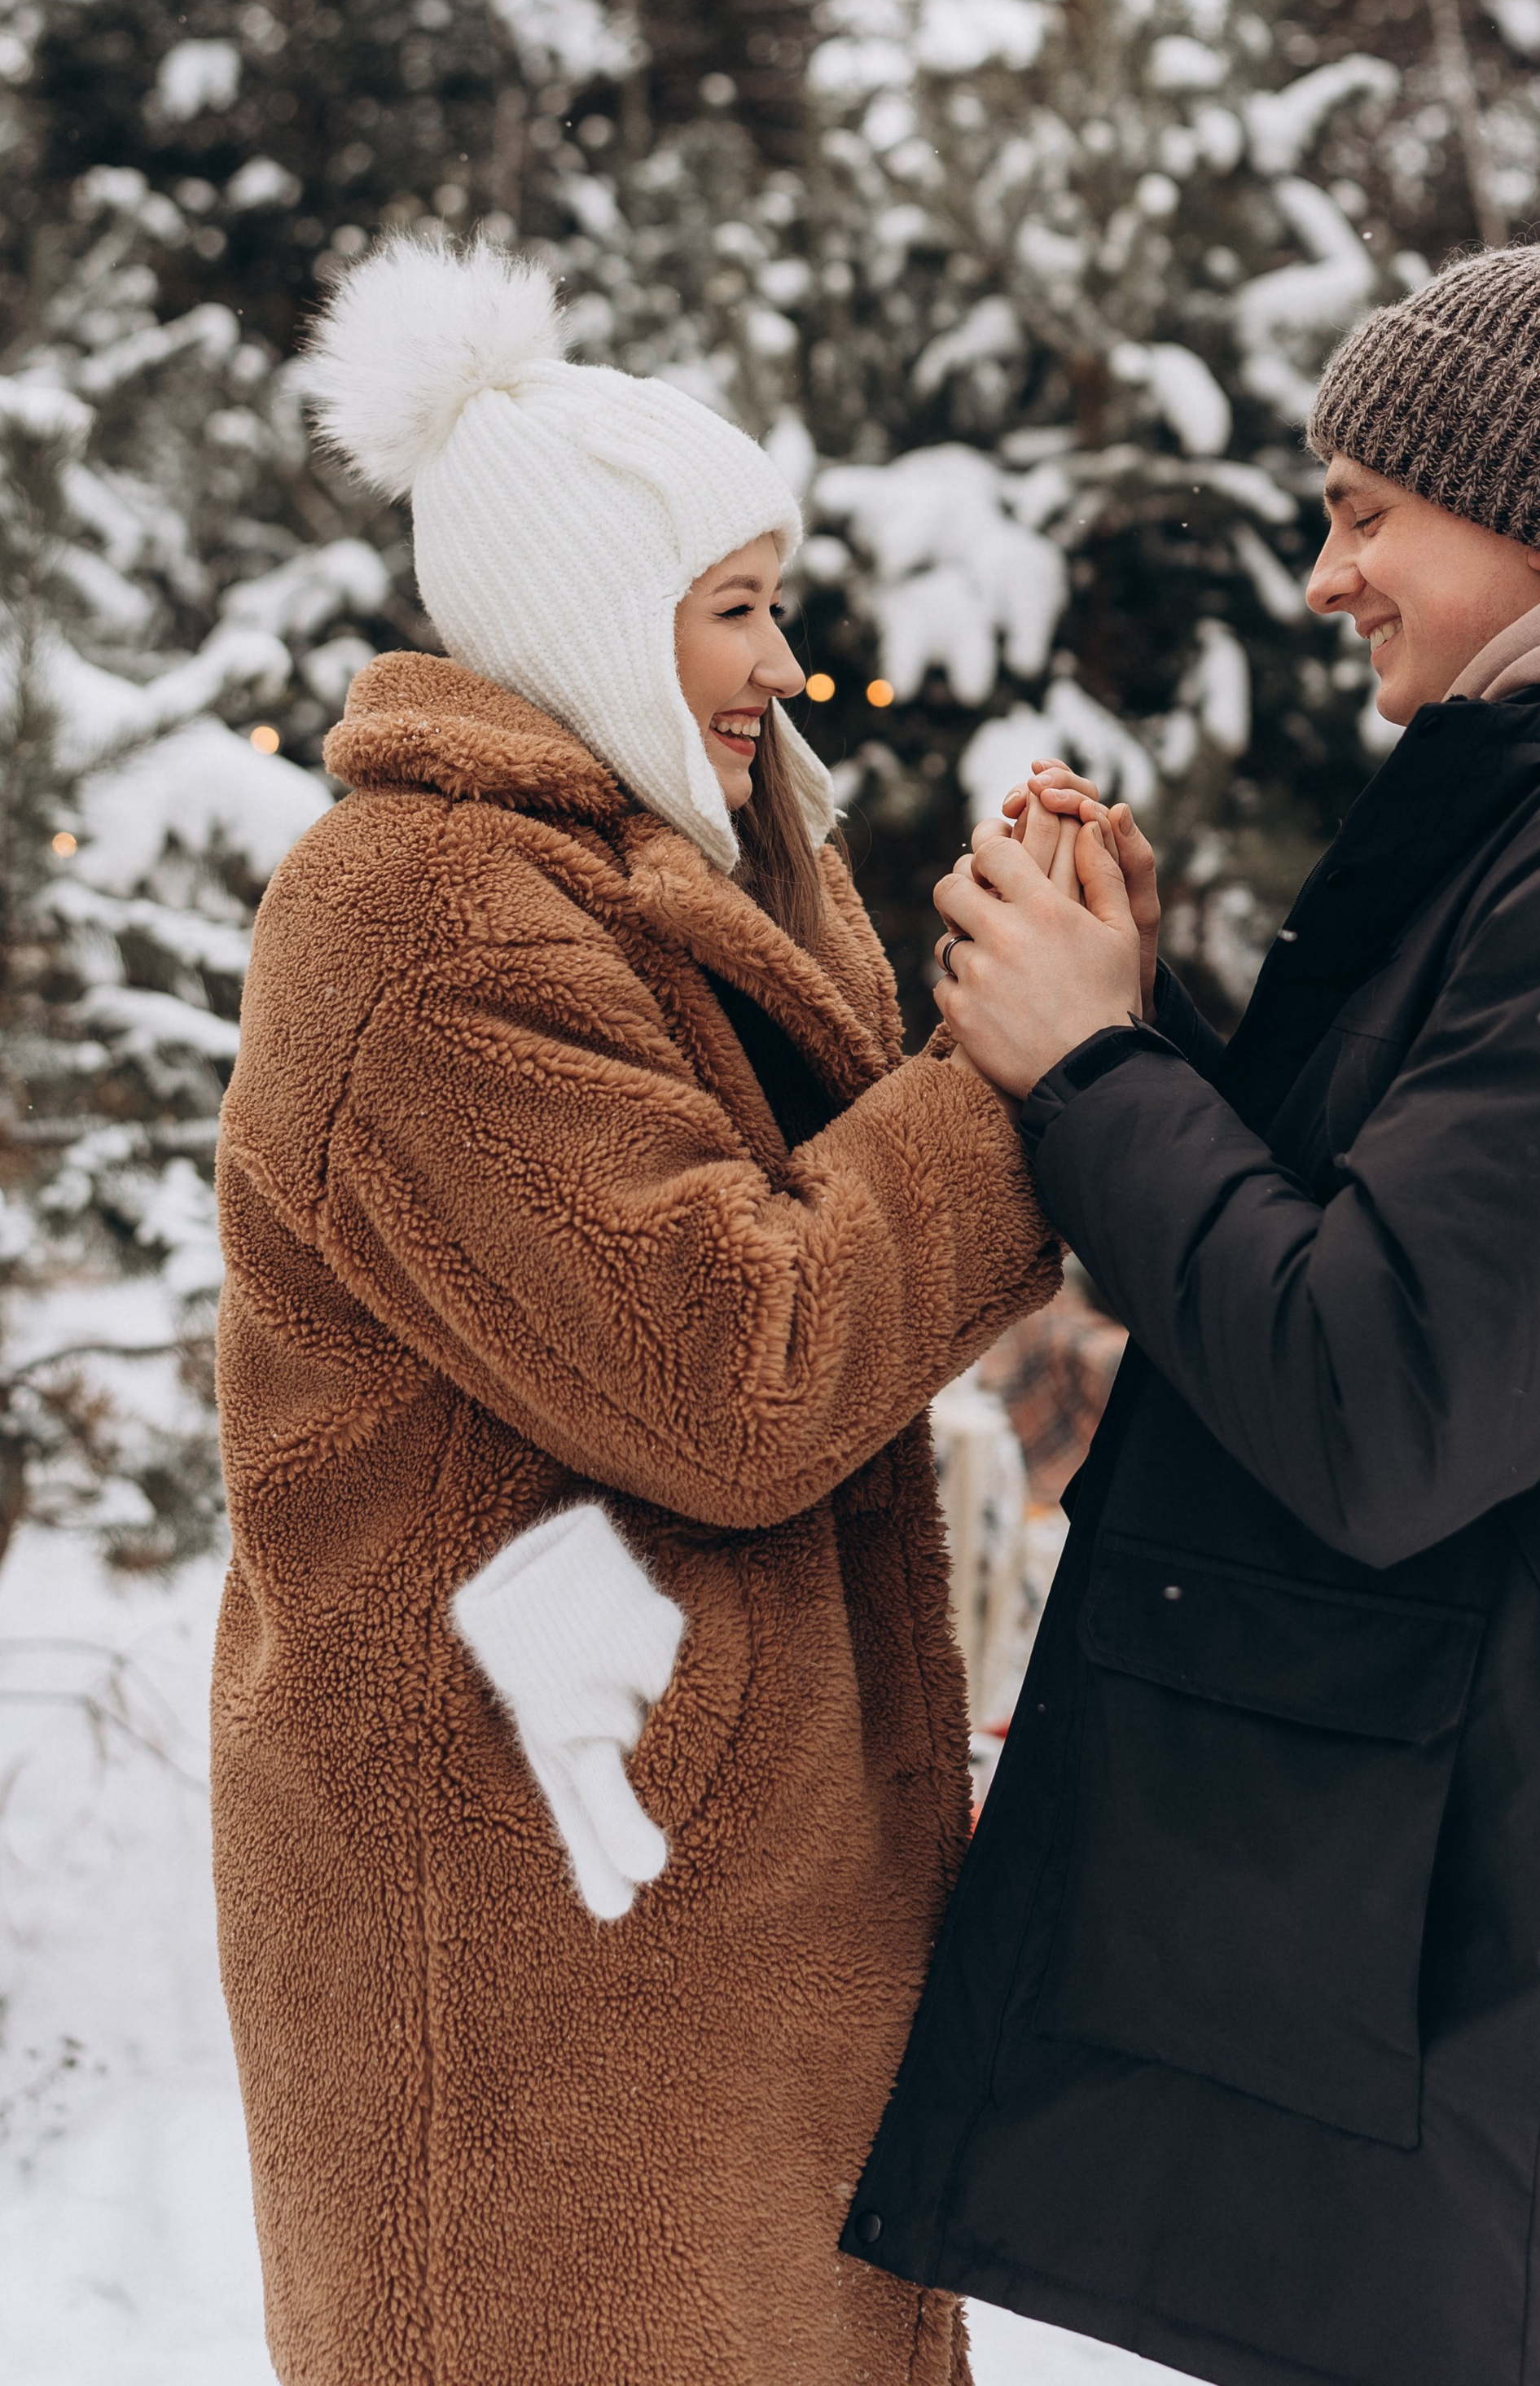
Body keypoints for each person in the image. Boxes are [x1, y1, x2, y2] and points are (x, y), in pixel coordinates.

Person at [846, 181, 1540, 2386]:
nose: (1327, 573)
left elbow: (1383, 1402)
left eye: (1368, 512)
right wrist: (1142, 1028)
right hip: (1470, 1961)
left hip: (1523, 2013)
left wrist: (1092, 1068)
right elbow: (1400, 1274)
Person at [210, 238, 1056, 2386]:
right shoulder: (423, 922)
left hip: (663, 1900)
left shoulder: (664, 877)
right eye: (737, 607)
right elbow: (735, 1370)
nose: (786, 659)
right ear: (596, 613)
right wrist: (1007, 1087)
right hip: (536, 1929)